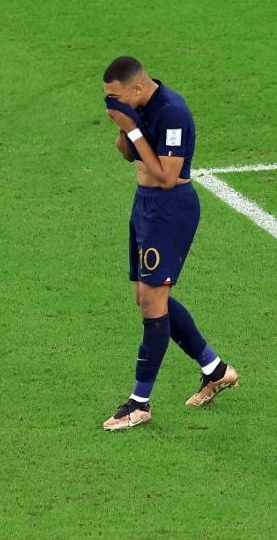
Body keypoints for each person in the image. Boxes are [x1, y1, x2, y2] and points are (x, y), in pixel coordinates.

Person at [102, 56, 239, 431]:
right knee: (145, 298)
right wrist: (122, 127)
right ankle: (216, 369)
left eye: (115, 96)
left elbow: (166, 176)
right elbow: (128, 153)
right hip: (143, 206)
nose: (112, 102)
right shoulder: (136, 105)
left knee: (153, 305)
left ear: (137, 87)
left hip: (170, 208)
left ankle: (139, 403)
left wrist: (132, 128)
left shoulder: (172, 112)